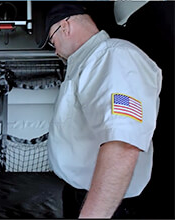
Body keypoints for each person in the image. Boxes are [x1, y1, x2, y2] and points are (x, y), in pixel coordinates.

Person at [43, 3, 162, 218]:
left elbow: (123, 146)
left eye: (52, 41)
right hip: (86, 195)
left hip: (108, 204)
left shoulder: (114, 57)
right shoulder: (89, 62)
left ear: (65, 27)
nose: (56, 51)